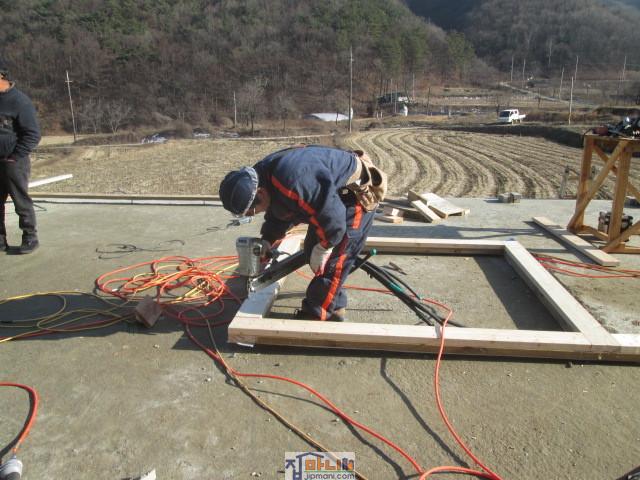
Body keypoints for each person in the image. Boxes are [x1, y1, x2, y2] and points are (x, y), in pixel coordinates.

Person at [219, 145, 387, 322]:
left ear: (260, 192)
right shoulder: (260, 178)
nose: (255, 214)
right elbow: (281, 209)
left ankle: (316, 316)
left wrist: (324, 248)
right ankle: (335, 306)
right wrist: (268, 239)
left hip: (354, 194)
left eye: (253, 211)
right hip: (328, 194)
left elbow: (334, 221)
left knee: (333, 261)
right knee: (312, 250)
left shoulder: (294, 181)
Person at [0, 58, 41, 254]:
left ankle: (30, 237)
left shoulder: (19, 101)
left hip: (13, 161)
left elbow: (32, 134)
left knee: (20, 202)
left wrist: (15, 156)